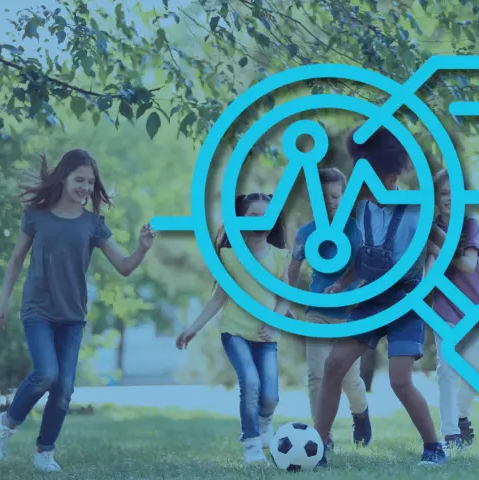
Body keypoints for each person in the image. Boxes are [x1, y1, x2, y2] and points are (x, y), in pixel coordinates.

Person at [0, 149, 157, 472]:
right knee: (46, 374)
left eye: (91, 183)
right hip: (38, 310)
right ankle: (7, 423)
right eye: (80, 180)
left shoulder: (93, 224)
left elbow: (123, 266)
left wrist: (142, 249)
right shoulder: (36, 215)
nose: (86, 188)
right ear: (63, 178)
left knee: (63, 389)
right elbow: (16, 259)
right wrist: (2, 304)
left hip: (72, 316)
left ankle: (44, 451)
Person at [314, 125, 448, 467]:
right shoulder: (363, 210)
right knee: (333, 367)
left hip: (406, 304)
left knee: (400, 381)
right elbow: (363, 257)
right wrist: (344, 283)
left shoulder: (416, 210)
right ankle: (318, 446)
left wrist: (432, 277)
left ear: (391, 175)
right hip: (370, 303)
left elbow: (441, 247)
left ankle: (434, 447)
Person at [175, 192, 291, 465]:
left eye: (267, 216)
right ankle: (251, 444)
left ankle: (265, 422)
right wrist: (193, 328)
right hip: (235, 332)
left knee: (270, 397)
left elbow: (285, 299)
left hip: (265, 336)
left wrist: (273, 322)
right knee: (250, 383)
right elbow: (218, 297)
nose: (261, 221)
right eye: (253, 216)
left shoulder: (278, 257)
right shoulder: (229, 256)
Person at [287, 167, 372, 449]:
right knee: (316, 375)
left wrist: (356, 295)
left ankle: (360, 413)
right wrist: (285, 300)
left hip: (349, 315)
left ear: (345, 196)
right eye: (323, 197)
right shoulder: (306, 232)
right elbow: (294, 266)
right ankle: (321, 437)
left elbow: (366, 267)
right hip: (317, 312)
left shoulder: (356, 229)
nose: (329, 202)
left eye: (335, 196)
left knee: (350, 380)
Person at [426, 169, 479, 451]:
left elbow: (468, 264)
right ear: (436, 199)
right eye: (443, 194)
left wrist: (438, 249)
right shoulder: (427, 229)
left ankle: (462, 417)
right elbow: (428, 280)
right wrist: (430, 250)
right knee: (446, 371)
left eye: (455, 194)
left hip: (475, 308)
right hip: (444, 309)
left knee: (474, 373)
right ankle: (450, 433)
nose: (449, 199)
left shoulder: (469, 225)